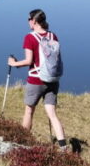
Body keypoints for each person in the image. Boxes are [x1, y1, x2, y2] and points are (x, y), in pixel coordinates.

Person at [7, 9, 68, 150]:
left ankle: (22, 143)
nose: (28, 22)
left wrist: (13, 63)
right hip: (53, 80)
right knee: (52, 114)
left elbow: (29, 61)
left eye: (29, 19)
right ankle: (63, 147)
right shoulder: (53, 36)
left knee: (29, 111)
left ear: (34, 21)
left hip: (36, 80)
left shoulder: (30, 38)